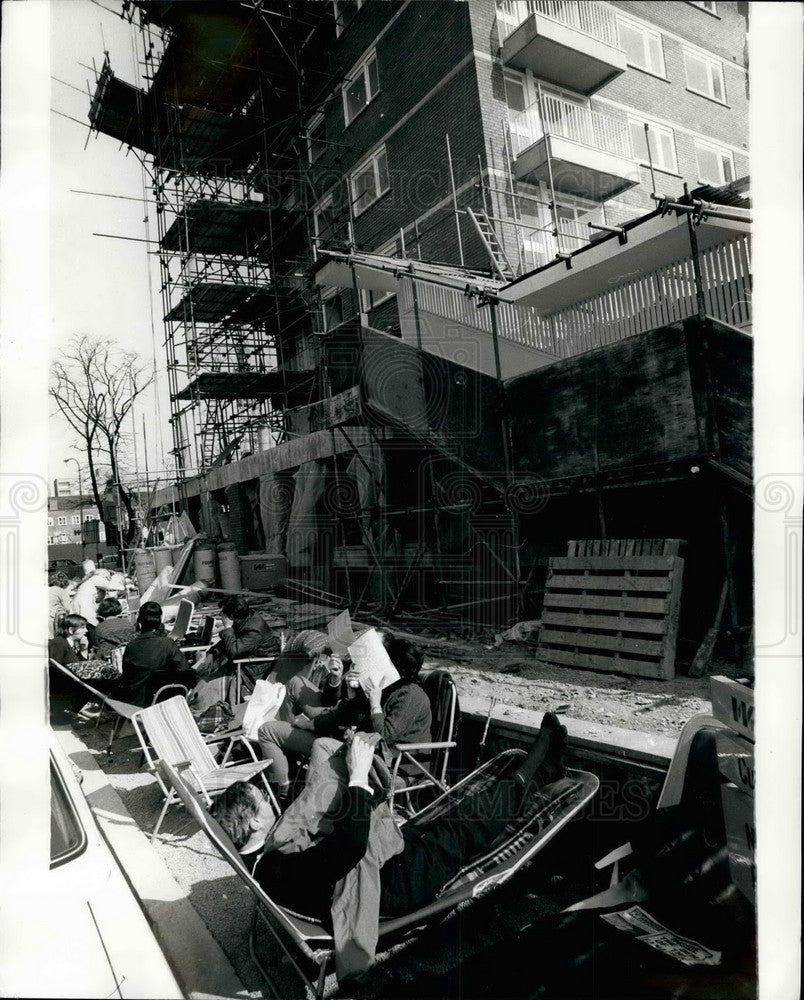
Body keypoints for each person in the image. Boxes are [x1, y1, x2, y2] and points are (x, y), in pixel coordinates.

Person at [212, 715, 569, 979]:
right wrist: (357, 776)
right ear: (254, 822)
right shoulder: (280, 867)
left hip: (384, 864)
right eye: (263, 801)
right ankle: (531, 771)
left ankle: (544, 768)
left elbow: (328, 847)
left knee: (444, 818)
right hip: (393, 887)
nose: (270, 803)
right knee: (468, 825)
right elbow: (351, 847)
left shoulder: (267, 863)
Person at [257, 633, 431, 802]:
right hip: (354, 747)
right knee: (267, 729)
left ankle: (308, 805)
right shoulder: (380, 684)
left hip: (392, 766)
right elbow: (343, 715)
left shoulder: (411, 695)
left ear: (393, 667)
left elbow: (383, 738)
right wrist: (349, 695)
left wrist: (375, 704)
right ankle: (283, 792)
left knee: (321, 745)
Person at [190, 596, 279, 713]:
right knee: (201, 678)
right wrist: (212, 653)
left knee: (207, 688)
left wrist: (227, 628)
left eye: (222, 614)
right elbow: (228, 642)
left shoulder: (254, 629)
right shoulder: (243, 619)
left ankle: (196, 712)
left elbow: (234, 652)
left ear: (230, 617)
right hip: (243, 662)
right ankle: (193, 705)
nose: (221, 616)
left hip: (254, 670)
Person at [116, 601, 197, 707]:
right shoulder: (167, 644)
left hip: (134, 703)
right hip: (160, 702)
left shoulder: (131, 646)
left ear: (140, 622)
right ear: (159, 622)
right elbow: (185, 671)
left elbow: (126, 677)